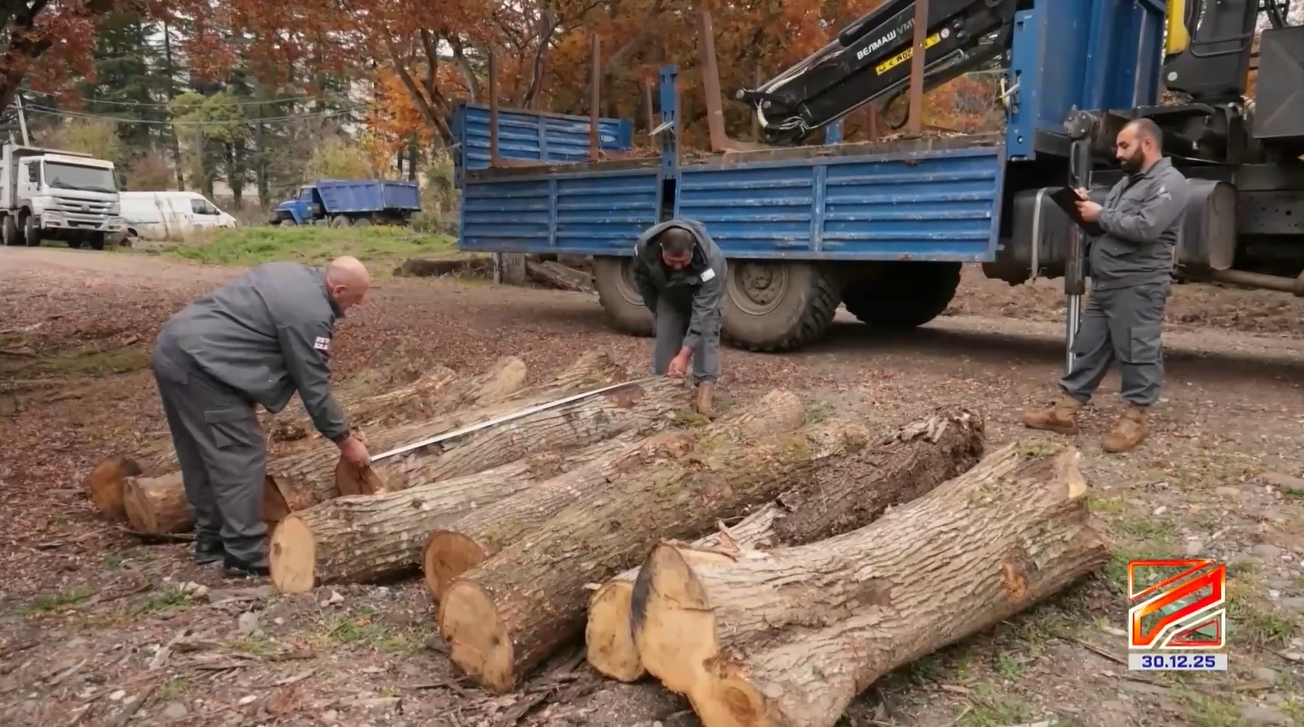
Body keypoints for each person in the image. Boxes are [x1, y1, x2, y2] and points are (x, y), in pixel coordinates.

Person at [150, 256, 372, 577]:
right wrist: (346, 441)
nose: (360, 303)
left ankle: (210, 541)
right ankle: (246, 554)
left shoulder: (292, 272)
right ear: (337, 289)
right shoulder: (309, 314)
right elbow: (314, 387)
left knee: (200, 453)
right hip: (205, 368)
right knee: (240, 454)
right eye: (357, 296)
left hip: (175, 351)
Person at [1022, 118, 1189, 453]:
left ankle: (1135, 418)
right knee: (1090, 345)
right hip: (1108, 280)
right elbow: (1110, 228)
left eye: (1123, 146)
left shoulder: (1171, 182)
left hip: (1138, 283)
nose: (1117, 153)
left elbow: (1146, 228)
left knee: (1137, 348)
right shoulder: (1127, 183)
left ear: (1147, 144)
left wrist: (1100, 214)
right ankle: (1065, 412)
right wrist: (1083, 210)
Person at [631, 218, 727, 419]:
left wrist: (684, 355)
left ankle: (704, 396)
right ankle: (665, 392)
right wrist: (657, 309)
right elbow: (642, 280)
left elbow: (703, 311)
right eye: (671, 261)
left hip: (701, 295)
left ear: (692, 249)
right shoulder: (644, 248)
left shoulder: (712, 260)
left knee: (706, 333)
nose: (677, 267)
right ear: (661, 249)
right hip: (669, 294)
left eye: (682, 261)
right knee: (665, 342)